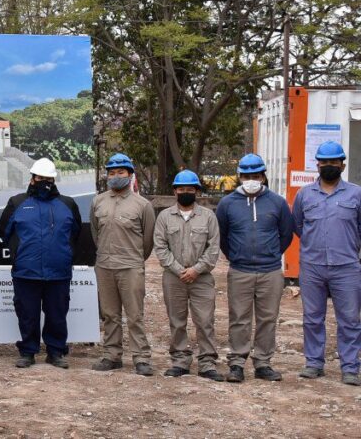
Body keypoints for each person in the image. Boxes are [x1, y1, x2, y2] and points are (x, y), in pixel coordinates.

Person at [216, 154, 294, 383]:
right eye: (247, 176)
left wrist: (271, 253)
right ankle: (237, 363)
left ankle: (263, 363)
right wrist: (236, 255)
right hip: (240, 270)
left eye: (256, 176)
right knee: (239, 318)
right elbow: (223, 236)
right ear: (240, 177)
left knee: (268, 318)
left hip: (270, 270)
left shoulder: (277, 203)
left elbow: (286, 234)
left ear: (263, 176)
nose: (251, 179)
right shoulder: (227, 204)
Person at [0, 158, 81, 370]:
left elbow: (75, 233)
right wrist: (18, 254)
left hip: (58, 272)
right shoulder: (17, 203)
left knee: (57, 314)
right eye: (40, 177)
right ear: (32, 178)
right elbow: (4, 232)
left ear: (54, 179)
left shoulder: (68, 204)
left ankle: (55, 352)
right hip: (26, 272)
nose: (44, 181)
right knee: (27, 315)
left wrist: (64, 254)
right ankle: (28, 351)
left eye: (48, 178)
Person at [293, 141, 361, 386]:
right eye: (324, 162)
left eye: (334, 162)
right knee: (312, 317)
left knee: (350, 319)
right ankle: (314, 364)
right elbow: (298, 226)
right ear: (317, 164)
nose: (329, 166)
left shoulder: (356, 194)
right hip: (313, 266)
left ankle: (351, 368)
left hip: (347, 267)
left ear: (342, 164)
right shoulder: (304, 195)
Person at [153, 170, 223, 381]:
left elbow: (213, 249)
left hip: (201, 277)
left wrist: (196, 270)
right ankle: (180, 360)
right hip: (174, 278)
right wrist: (178, 270)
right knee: (177, 320)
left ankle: (207, 362)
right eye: (181, 189)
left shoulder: (208, 217)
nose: (185, 192)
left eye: (190, 189)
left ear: (197, 191)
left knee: (205, 320)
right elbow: (160, 247)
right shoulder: (164, 217)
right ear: (175, 191)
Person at [90, 153, 156, 376]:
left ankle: (141, 358)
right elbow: (95, 234)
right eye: (111, 172)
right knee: (110, 314)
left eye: (120, 172)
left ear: (130, 175)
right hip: (105, 265)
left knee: (135, 315)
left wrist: (135, 259)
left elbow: (148, 241)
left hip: (130, 266)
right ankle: (112, 355)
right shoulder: (98, 201)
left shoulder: (142, 205)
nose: (115, 176)